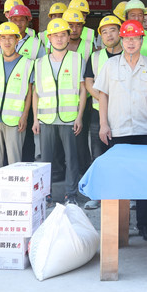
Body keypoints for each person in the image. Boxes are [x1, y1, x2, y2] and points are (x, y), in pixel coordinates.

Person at [94, 20, 147, 242]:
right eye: (127, 38)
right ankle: (118, 228)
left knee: (145, 180)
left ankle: (144, 226)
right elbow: (102, 94)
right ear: (121, 41)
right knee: (119, 180)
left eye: (135, 38)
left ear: (142, 40)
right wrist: (103, 124)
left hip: (145, 128)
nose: (131, 42)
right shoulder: (110, 65)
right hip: (119, 130)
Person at [32, 18, 87, 206]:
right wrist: (35, 119)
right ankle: (45, 194)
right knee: (46, 160)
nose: (59, 39)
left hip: (69, 117)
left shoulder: (76, 59)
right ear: (49, 38)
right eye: (56, 35)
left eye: (63, 35)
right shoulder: (39, 63)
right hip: (46, 118)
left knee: (71, 159)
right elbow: (36, 93)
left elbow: (83, 89)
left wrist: (79, 116)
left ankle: (71, 194)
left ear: (68, 37)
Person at [0, 22, 34, 210]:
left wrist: (25, 116)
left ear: (17, 40)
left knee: (15, 161)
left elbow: (29, 93)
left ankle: (16, 196)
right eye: (3, 38)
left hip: (14, 119)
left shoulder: (27, 64)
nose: (7, 41)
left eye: (11, 37)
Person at [82, 15, 123, 210]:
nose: (108, 35)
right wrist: (103, 98)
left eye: (112, 30)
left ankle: (125, 195)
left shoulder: (129, 55)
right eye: (104, 32)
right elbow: (88, 82)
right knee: (98, 155)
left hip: (124, 114)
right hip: (99, 113)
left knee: (123, 155)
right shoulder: (96, 56)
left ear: (120, 32)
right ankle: (97, 195)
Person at [6, 4, 45, 163]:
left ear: (28, 21)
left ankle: (27, 166)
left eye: (22, 20)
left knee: (27, 135)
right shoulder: (2, 40)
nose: (18, 23)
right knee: (6, 137)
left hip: (28, 95)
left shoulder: (35, 44)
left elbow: (42, 68)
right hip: (7, 97)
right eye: (14, 20)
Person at [63, 8, 93, 178]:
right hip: (61, 102)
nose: (74, 29)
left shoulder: (89, 46)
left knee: (81, 141)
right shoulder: (57, 44)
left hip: (84, 100)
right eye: (70, 25)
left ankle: (83, 171)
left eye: (78, 25)